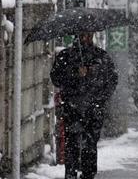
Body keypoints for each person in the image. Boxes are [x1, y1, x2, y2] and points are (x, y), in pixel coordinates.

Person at [50, 32, 118, 179]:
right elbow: (56, 78)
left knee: (90, 146)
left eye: (88, 34)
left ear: (92, 35)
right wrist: (75, 74)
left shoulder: (101, 57)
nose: (85, 37)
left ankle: (88, 175)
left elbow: (112, 80)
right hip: (72, 107)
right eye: (82, 34)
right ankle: (71, 174)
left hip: (94, 109)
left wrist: (100, 99)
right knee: (72, 145)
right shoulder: (66, 56)